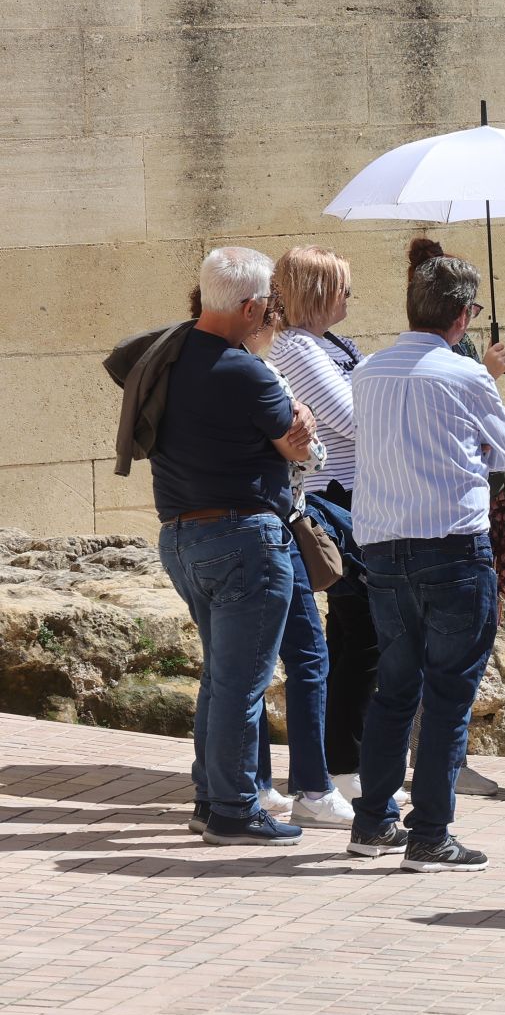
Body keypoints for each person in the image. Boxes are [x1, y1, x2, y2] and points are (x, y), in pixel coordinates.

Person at [346, 242, 505, 870]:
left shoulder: (367, 371)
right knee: (448, 696)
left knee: (394, 689)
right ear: (464, 315)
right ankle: (429, 834)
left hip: (382, 549)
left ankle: (373, 823)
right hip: (452, 547)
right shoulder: (466, 374)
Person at [151, 247, 314, 847]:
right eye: (270, 303)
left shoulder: (167, 356)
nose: (272, 312)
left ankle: (210, 799)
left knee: (220, 678)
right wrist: (301, 421)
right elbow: (299, 448)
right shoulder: (246, 372)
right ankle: (232, 809)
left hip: (181, 536)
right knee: (241, 684)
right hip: (245, 537)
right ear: (250, 307)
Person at [266, 245, 380, 808]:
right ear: (315, 293)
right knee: (355, 631)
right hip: (332, 502)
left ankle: (346, 758)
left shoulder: (334, 344)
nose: (349, 297)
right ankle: (342, 762)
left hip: (360, 498)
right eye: (341, 287)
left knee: (362, 631)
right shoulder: (295, 348)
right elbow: (357, 419)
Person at [240, 290, 353, 829]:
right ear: (261, 319)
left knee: (242, 666)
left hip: (208, 527)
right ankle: (312, 786)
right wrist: (304, 433)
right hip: (274, 527)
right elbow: (312, 453)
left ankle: (255, 783)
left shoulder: (191, 369)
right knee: (308, 657)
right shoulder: (263, 375)